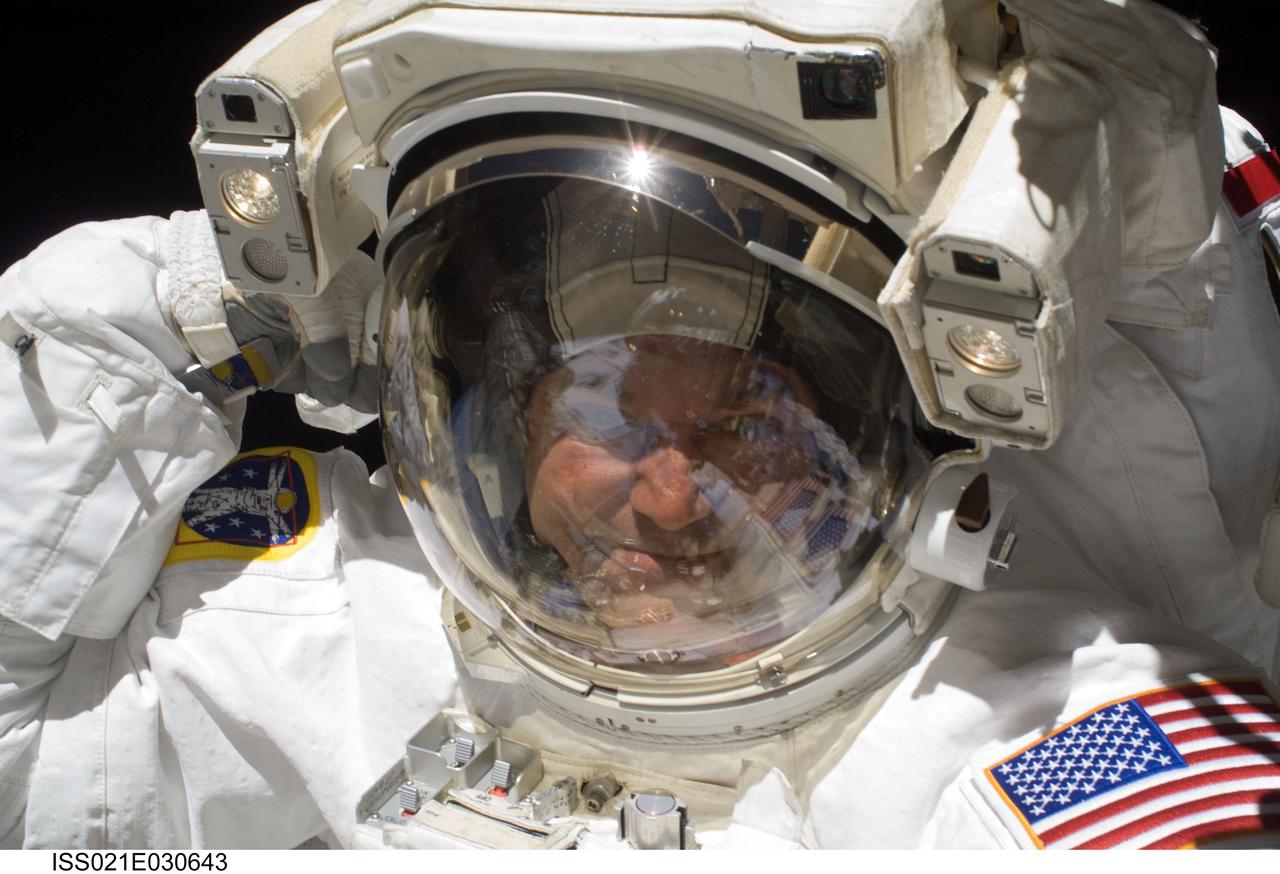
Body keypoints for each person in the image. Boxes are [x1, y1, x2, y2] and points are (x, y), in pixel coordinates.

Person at [3, 0, 1280, 851]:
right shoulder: (338, 625)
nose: (669, 499)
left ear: (899, 441)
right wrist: (188, 303)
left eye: (752, 426)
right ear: (499, 419)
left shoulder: (1033, 733)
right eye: (606, 413)